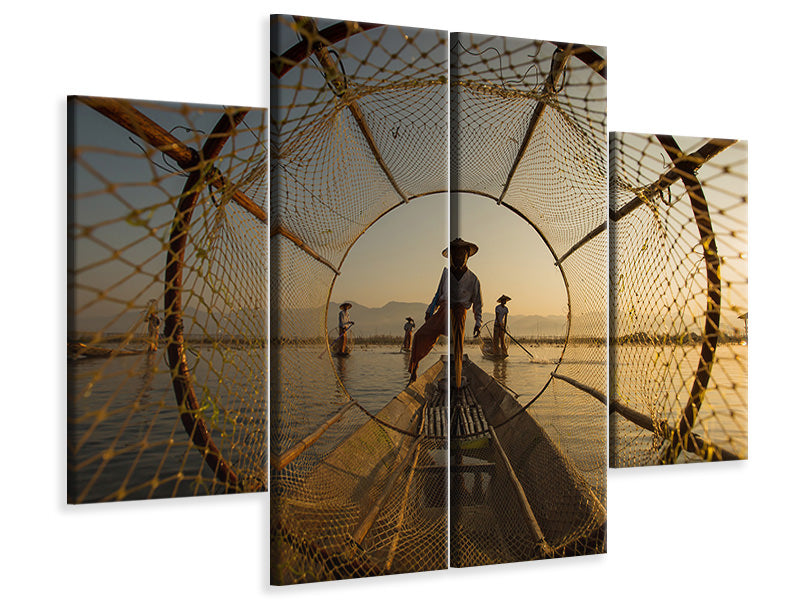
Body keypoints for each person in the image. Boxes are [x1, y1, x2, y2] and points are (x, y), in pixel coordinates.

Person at [408, 238, 482, 390]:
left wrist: (478, 323)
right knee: (419, 336)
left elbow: (478, 303)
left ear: (467, 256)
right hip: (443, 311)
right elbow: (437, 294)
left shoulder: (473, 279)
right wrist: (430, 310)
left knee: (457, 347)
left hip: (459, 313)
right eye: (455, 254)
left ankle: (457, 379)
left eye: (462, 254)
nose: (458, 258)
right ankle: (413, 372)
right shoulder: (446, 274)